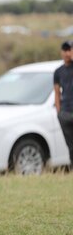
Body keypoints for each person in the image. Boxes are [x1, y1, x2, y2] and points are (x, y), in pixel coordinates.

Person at [54, 40, 73, 171]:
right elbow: (56, 92)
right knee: (71, 145)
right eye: (65, 50)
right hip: (65, 113)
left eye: (69, 50)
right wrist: (58, 112)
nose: (67, 53)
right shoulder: (58, 72)